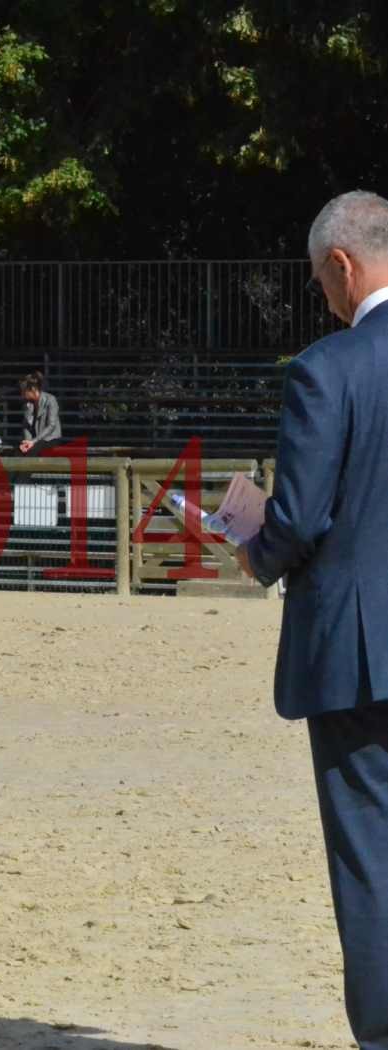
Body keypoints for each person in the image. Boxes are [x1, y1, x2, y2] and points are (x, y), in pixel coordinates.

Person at [236, 188, 388, 1050]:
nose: (322, 298)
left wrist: (252, 551)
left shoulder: (327, 369)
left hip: (361, 654)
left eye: (318, 280)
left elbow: (294, 519)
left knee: (369, 855)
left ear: (340, 264)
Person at [17, 370, 62, 455]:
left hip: (50, 439)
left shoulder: (50, 400)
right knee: (19, 452)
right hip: (35, 441)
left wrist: (33, 441)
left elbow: (51, 426)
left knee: (31, 453)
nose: (22, 394)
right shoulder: (28, 404)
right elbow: (26, 426)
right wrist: (27, 442)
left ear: (33, 389)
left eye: (24, 391)